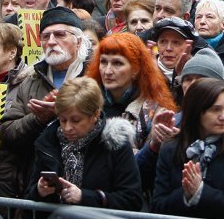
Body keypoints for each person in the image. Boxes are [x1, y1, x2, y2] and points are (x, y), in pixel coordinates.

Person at [0, 6, 89, 200]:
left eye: (60, 35)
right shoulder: (30, 80)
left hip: (84, 185)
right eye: (45, 36)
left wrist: (65, 112)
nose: (51, 42)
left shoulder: (95, 76)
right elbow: (8, 131)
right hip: (35, 185)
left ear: (78, 41)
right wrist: (38, 119)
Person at [27, 77, 143, 210]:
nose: (67, 127)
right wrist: (39, 191)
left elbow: (132, 200)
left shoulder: (115, 143)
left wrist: (84, 197)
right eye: (63, 120)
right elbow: (28, 201)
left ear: (95, 115)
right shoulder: (48, 142)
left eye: (76, 120)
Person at [150, 78, 224, 219]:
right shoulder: (171, 148)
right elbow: (157, 207)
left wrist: (201, 192)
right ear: (196, 111)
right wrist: (186, 195)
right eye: (215, 109)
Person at [84, 32, 176, 150]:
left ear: (135, 70)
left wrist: (154, 144)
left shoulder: (153, 112)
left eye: (117, 63)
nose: (107, 71)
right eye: (103, 62)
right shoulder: (86, 103)